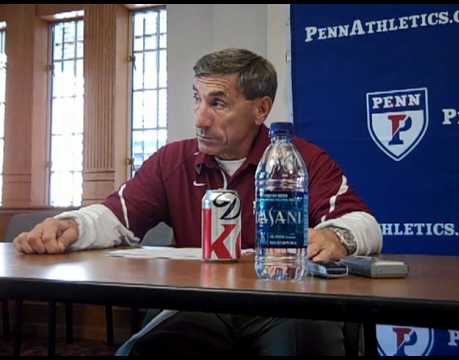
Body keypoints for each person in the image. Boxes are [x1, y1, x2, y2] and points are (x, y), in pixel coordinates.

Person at [13, 48, 382, 355]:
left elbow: (363, 224)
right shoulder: (173, 160)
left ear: (261, 109)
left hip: (284, 307)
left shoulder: (300, 158)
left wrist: (335, 236)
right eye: (197, 99)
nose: (201, 119)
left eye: (218, 103)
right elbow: (116, 216)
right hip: (199, 306)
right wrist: (73, 225)